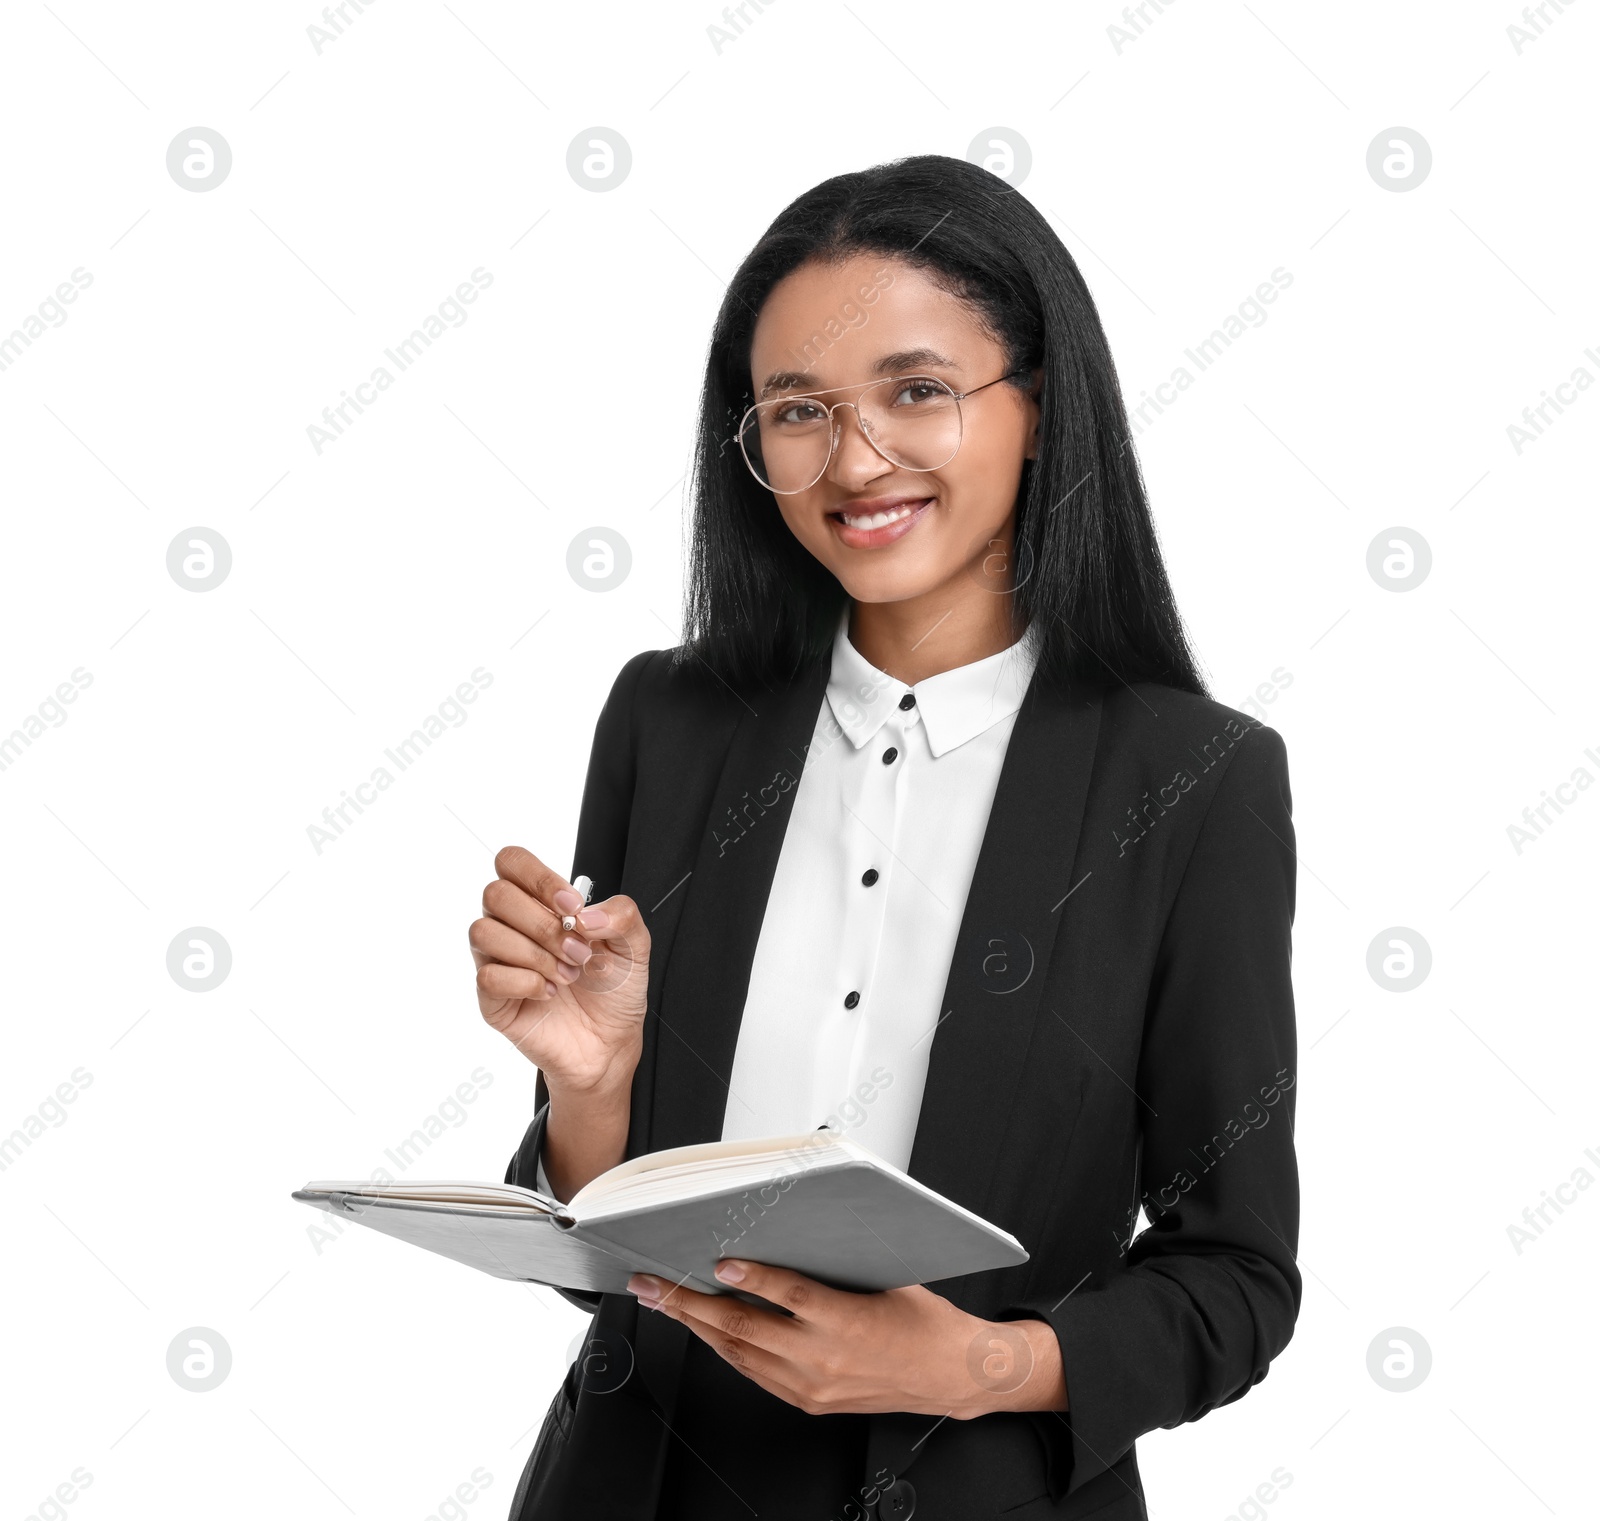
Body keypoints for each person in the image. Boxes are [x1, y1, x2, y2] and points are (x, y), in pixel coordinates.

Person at [469, 154, 1300, 1521]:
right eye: (798, 411)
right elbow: (602, 1256)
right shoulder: (671, 721)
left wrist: (980, 1362)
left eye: (919, 390)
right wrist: (592, 1081)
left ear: (1038, 407)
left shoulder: (1193, 780)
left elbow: (1239, 1278)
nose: (856, 462)